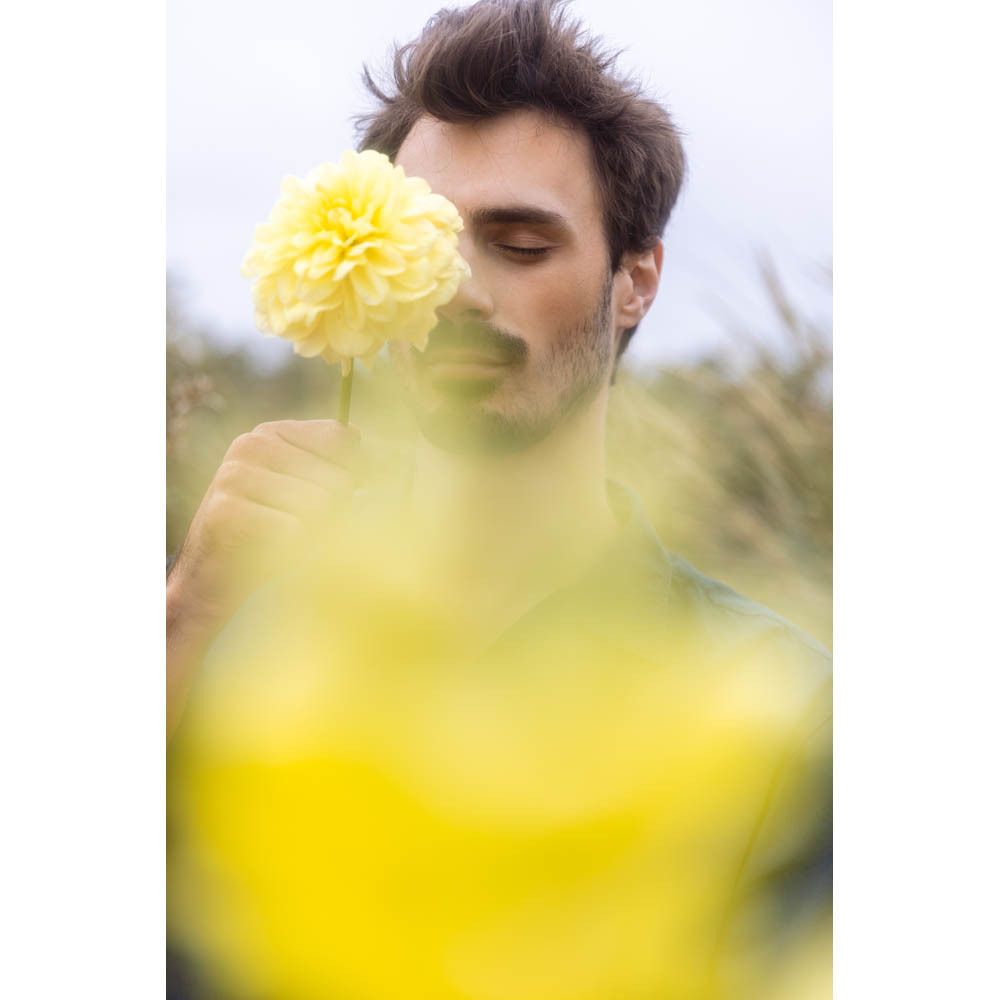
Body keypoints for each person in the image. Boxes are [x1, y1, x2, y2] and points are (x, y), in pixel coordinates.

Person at [166, 2, 831, 997]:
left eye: (519, 244)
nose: (460, 296)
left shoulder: (778, 704)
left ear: (635, 279)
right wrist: (189, 618)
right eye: (421, 248)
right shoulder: (230, 630)